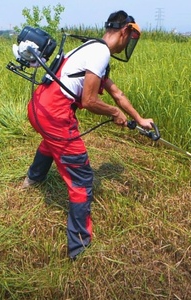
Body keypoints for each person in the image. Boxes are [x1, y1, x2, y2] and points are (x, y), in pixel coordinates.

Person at [22, 10, 154, 260]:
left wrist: (139, 119)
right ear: (125, 31)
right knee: (82, 178)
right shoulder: (100, 53)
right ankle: (79, 247)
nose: (129, 43)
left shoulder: (90, 47)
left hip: (38, 106)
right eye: (131, 37)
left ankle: (32, 180)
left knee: (50, 143)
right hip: (54, 113)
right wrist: (114, 113)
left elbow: (117, 93)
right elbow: (90, 100)